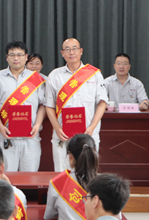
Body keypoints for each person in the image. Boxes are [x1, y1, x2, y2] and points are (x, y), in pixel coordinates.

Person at [45, 38, 108, 172]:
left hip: (88, 134)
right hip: (62, 135)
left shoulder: (94, 74)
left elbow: (102, 103)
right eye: (67, 49)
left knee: (88, 174)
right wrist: (56, 127)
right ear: (62, 53)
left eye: (74, 49)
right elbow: (49, 105)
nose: (71, 52)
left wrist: (92, 127)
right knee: (62, 175)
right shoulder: (55, 75)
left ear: (81, 51)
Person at [0, 41, 47, 172]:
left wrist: (37, 125)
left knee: (30, 178)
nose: (16, 58)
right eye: (12, 55)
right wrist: (0, 126)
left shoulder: (37, 79)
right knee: (6, 178)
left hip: (31, 137)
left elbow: (43, 105)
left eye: (19, 55)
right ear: (6, 57)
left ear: (26, 57)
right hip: (6, 136)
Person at [44, 134, 99, 220]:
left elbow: (48, 215)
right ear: (94, 154)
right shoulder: (106, 184)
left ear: (70, 156)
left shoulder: (57, 183)